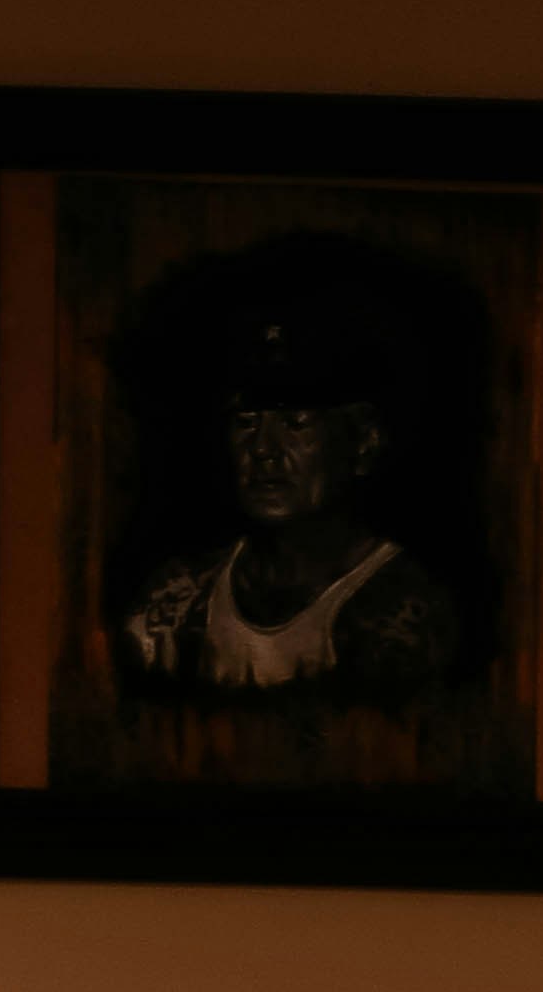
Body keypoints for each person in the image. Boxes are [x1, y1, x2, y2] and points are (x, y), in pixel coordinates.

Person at [122, 264, 458, 699]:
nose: (264, 448)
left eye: (295, 422)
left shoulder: (402, 609)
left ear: (363, 441)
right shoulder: (178, 601)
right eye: (246, 422)